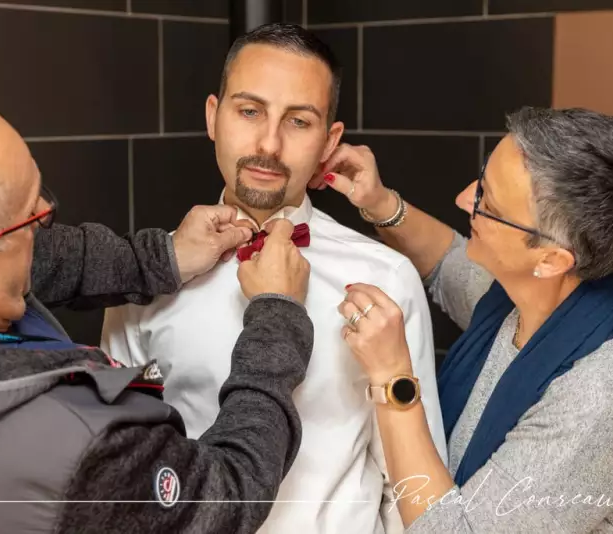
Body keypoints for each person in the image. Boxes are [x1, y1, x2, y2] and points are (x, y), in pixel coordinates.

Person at [0, 96, 316, 534]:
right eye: (29, 214)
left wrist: (161, 256)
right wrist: (277, 316)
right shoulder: (77, 449)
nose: (43, 217)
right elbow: (227, 496)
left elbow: (47, 259)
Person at [101, 23, 446, 534]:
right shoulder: (145, 277)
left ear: (329, 142)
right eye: (249, 111)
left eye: (299, 122)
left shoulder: (385, 276)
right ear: (213, 117)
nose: (269, 143)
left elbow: (411, 479)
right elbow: (124, 468)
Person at [314, 107, 613, 532]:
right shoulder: (537, 291)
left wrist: (392, 378)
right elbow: (448, 263)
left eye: (486, 202)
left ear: (550, 259)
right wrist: (379, 201)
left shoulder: (604, 397)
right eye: (482, 178)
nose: (463, 198)